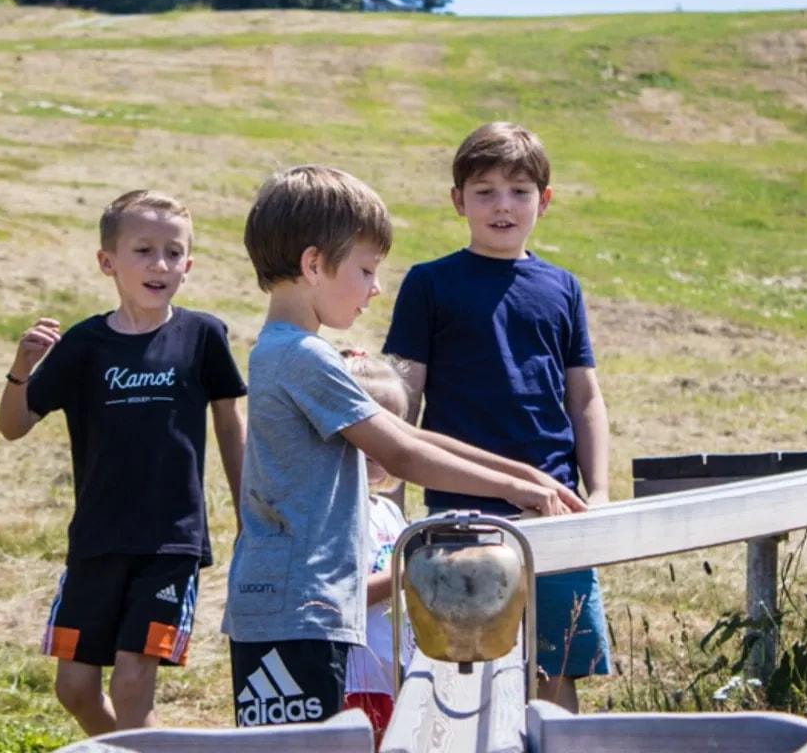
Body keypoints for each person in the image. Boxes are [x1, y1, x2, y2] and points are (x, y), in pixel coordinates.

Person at [221, 164, 585, 731]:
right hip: (295, 615)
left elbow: (407, 435)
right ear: (314, 265)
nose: (376, 288)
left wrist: (531, 478)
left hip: (303, 611)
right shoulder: (302, 356)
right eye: (365, 270)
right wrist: (516, 487)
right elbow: (402, 456)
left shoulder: (291, 350)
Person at [0, 189, 247, 736]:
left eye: (174, 253)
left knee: (132, 686)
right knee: (75, 689)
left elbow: (229, 424)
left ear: (189, 264)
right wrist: (21, 369)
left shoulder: (203, 335)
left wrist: (248, 511)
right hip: (95, 541)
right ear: (107, 262)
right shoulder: (85, 344)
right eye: (143, 250)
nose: (160, 264)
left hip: (169, 544)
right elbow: (13, 426)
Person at [382, 121, 612, 713]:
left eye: (519, 190)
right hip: (458, 516)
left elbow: (584, 399)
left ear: (545, 200)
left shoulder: (563, 288)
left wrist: (602, 492)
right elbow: (400, 398)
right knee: (461, 673)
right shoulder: (429, 284)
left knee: (556, 671)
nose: (502, 205)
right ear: (458, 201)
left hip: (558, 511)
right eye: (484, 191)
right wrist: (390, 496)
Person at [339, 349, 415, 750]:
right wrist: (409, 575)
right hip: (355, 680)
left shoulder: (388, 511)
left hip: (397, 674)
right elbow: (343, 595)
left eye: (390, 426)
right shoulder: (337, 513)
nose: (377, 442)